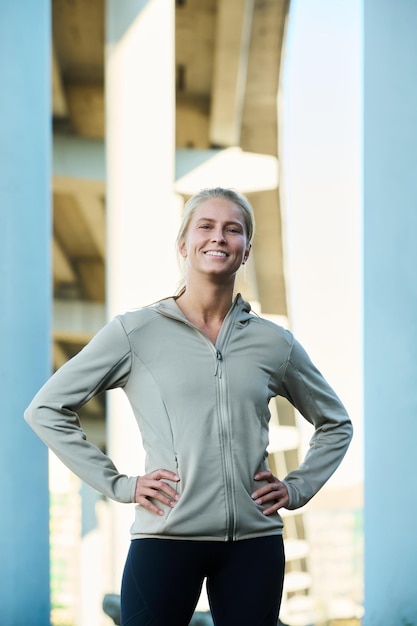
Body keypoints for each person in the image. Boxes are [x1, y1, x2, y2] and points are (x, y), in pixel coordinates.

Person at [25, 187, 353, 626]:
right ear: (183, 244)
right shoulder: (134, 333)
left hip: (253, 543)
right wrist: (120, 484)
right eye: (206, 226)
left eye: (232, 230)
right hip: (165, 537)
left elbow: (335, 422)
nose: (218, 237)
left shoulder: (274, 343)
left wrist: (296, 488)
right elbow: (46, 408)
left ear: (246, 251)